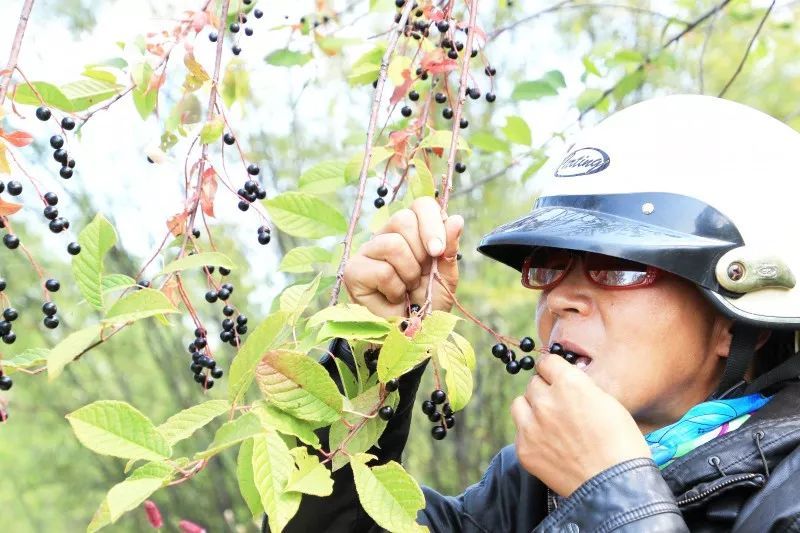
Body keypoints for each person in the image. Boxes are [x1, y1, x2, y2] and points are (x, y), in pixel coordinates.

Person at [265, 95, 800, 532]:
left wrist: (611, 495)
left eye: (618, 268)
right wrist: (376, 354)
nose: (560, 298)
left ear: (736, 319)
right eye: (550, 264)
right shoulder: (531, 485)